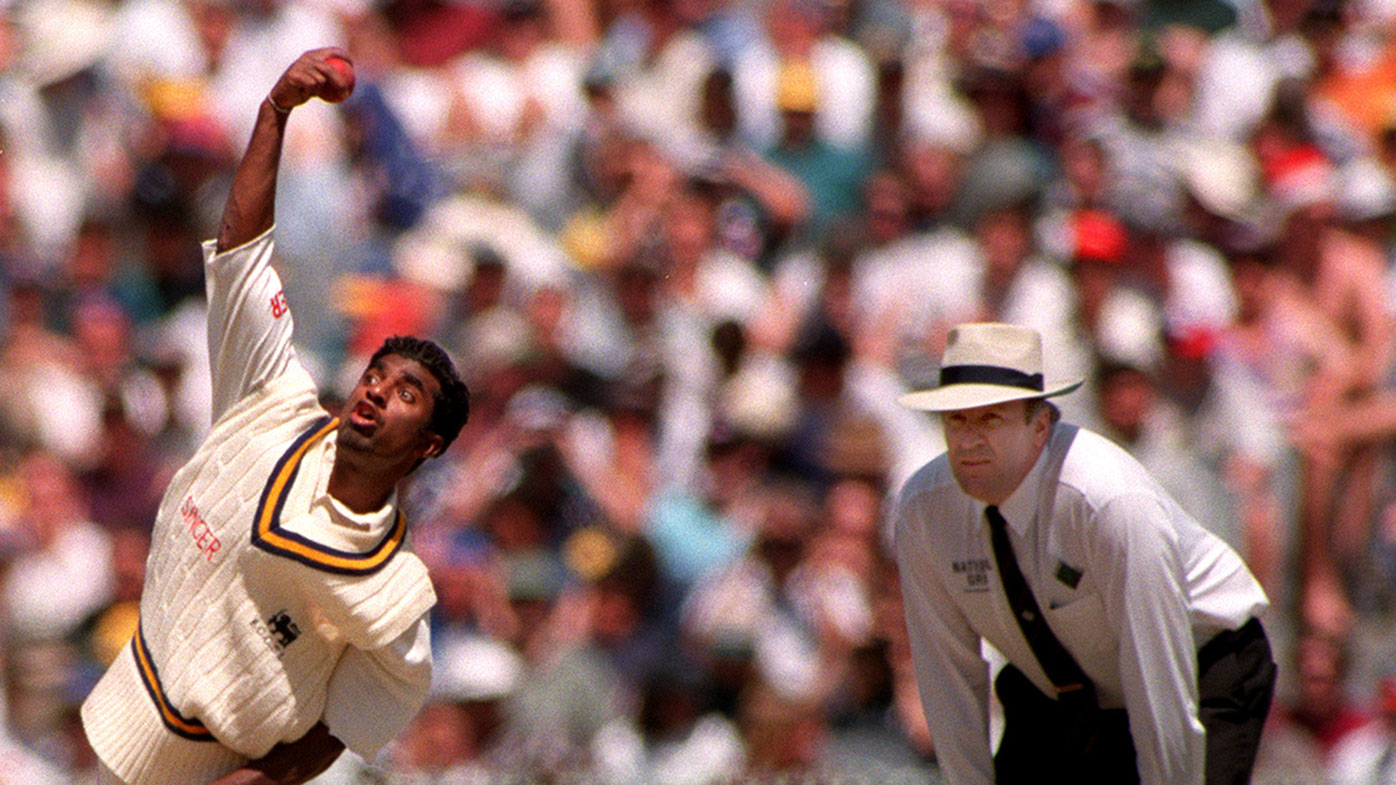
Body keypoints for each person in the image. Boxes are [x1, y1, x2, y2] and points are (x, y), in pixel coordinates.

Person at [79, 48, 470, 785]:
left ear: (429, 444)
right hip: (126, 715)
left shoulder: (392, 594)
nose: (378, 391)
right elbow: (241, 257)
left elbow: (345, 725)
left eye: (406, 393)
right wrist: (273, 114)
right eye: (376, 375)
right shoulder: (273, 402)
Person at [891, 322, 1274, 785]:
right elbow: (947, 679)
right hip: (1061, 681)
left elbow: (1160, 682)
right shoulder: (923, 510)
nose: (968, 441)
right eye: (956, 419)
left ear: (1040, 427)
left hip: (1201, 663)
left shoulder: (1108, 501)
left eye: (990, 418)